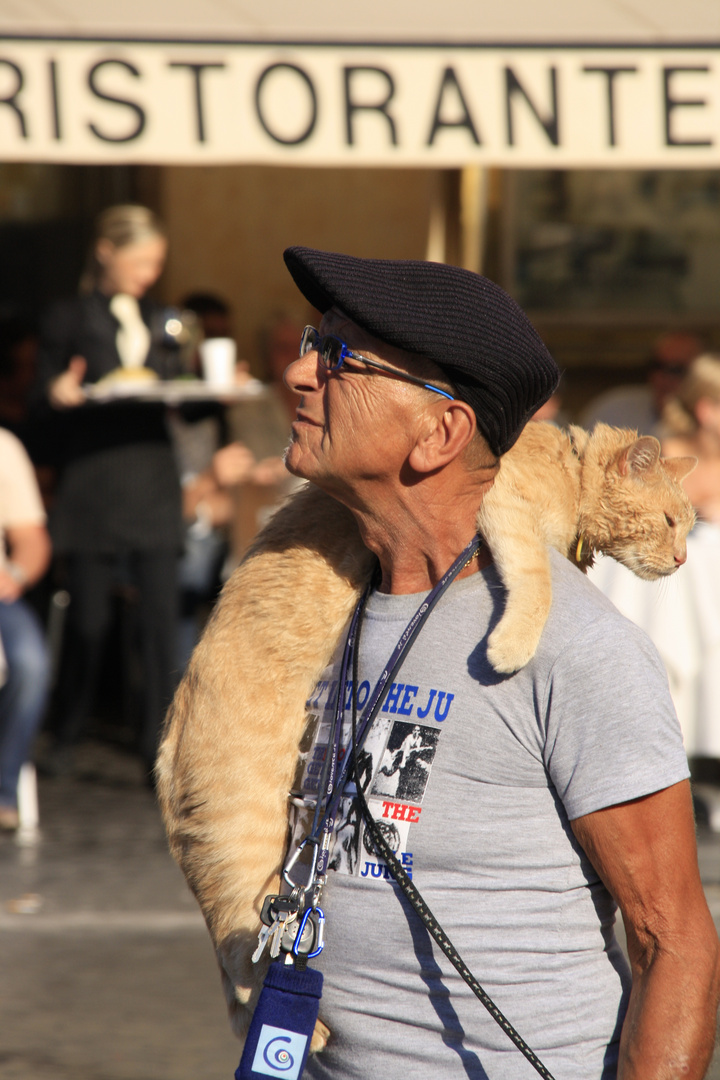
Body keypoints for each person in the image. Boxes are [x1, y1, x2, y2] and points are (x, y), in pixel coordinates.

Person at [158, 248, 720, 1079]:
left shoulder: (572, 646)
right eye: (314, 341)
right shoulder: (317, 604)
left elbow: (675, 943)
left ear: (439, 433)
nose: (300, 372)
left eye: (339, 357)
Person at [34, 204, 183, 776]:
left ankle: (157, 747)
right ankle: (68, 728)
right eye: (140, 261)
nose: (148, 273)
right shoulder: (68, 317)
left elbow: (181, 389)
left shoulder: (161, 316)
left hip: (150, 477)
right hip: (93, 480)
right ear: (106, 252)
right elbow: (40, 408)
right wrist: (58, 393)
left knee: (159, 624)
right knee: (90, 621)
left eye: (156, 263)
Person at [0, 427, 51, 830]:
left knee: (31, 663)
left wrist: (14, 574)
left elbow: (31, 538)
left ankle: (3, 791)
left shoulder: (5, 446)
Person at [580, 330, 703, 436]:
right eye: (656, 365)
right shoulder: (613, 410)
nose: (663, 377)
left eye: (676, 370)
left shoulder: (711, 421)